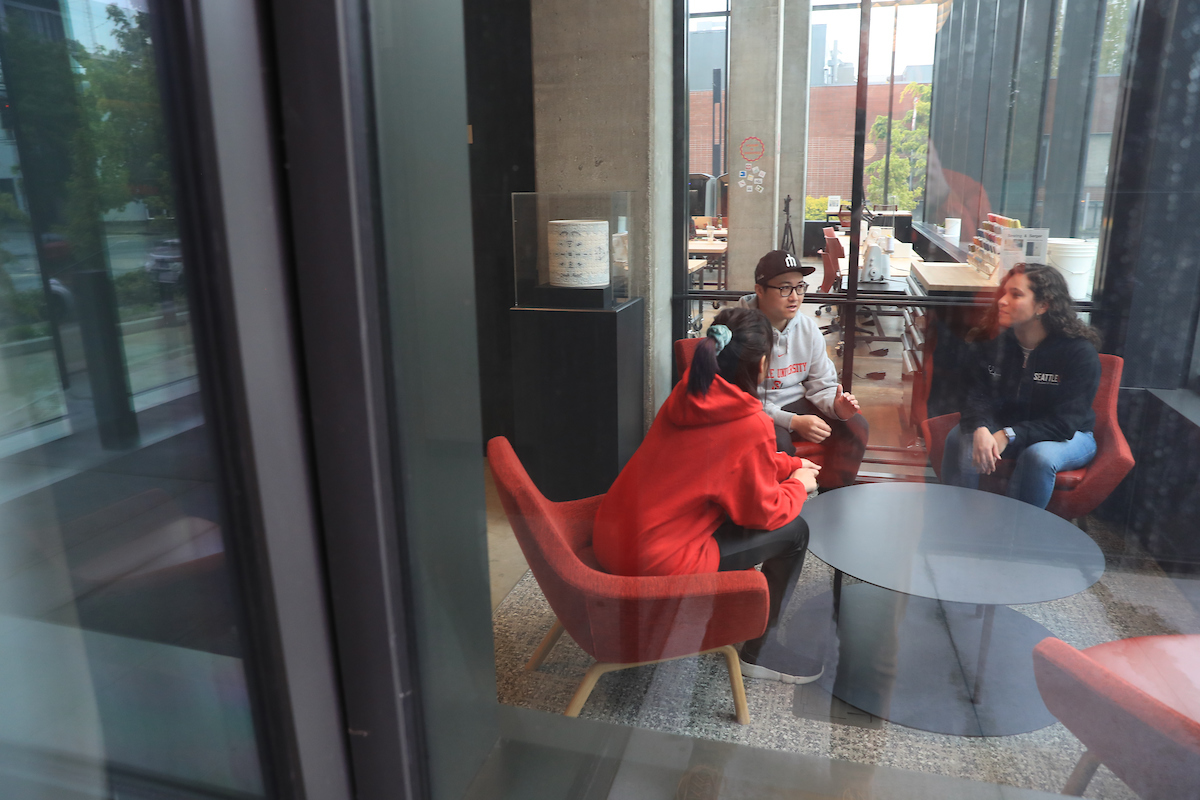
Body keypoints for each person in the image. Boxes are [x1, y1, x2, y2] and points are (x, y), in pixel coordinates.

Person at [593, 307, 823, 683]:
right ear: (763, 365)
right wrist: (798, 486)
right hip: (651, 560)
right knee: (794, 533)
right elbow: (763, 513)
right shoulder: (748, 424)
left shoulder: (691, 391)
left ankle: (737, 613)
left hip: (614, 535)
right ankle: (759, 651)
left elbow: (730, 464)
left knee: (753, 502)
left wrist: (788, 467)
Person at [940, 263, 1101, 509]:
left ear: (1043, 305)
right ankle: (957, 522)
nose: (1002, 301)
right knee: (961, 437)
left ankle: (1018, 537)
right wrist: (981, 427)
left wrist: (1009, 435)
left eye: (1016, 295)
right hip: (1005, 427)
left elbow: (1064, 423)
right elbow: (974, 395)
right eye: (1003, 293)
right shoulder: (995, 344)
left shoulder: (1078, 352)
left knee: (1038, 456)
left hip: (1068, 435)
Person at [738, 250, 868, 489]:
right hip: (755, 411)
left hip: (795, 400)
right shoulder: (742, 332)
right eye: (784, 288)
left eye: (800, 287)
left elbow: (822, 383)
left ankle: (832, 495)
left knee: (856, 426)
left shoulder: (807, 328)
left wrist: (835, 405)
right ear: (759, 290)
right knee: (775, 442)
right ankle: (784, 509)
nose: (794, 297)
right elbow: (741, 402)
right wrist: (793, 421)